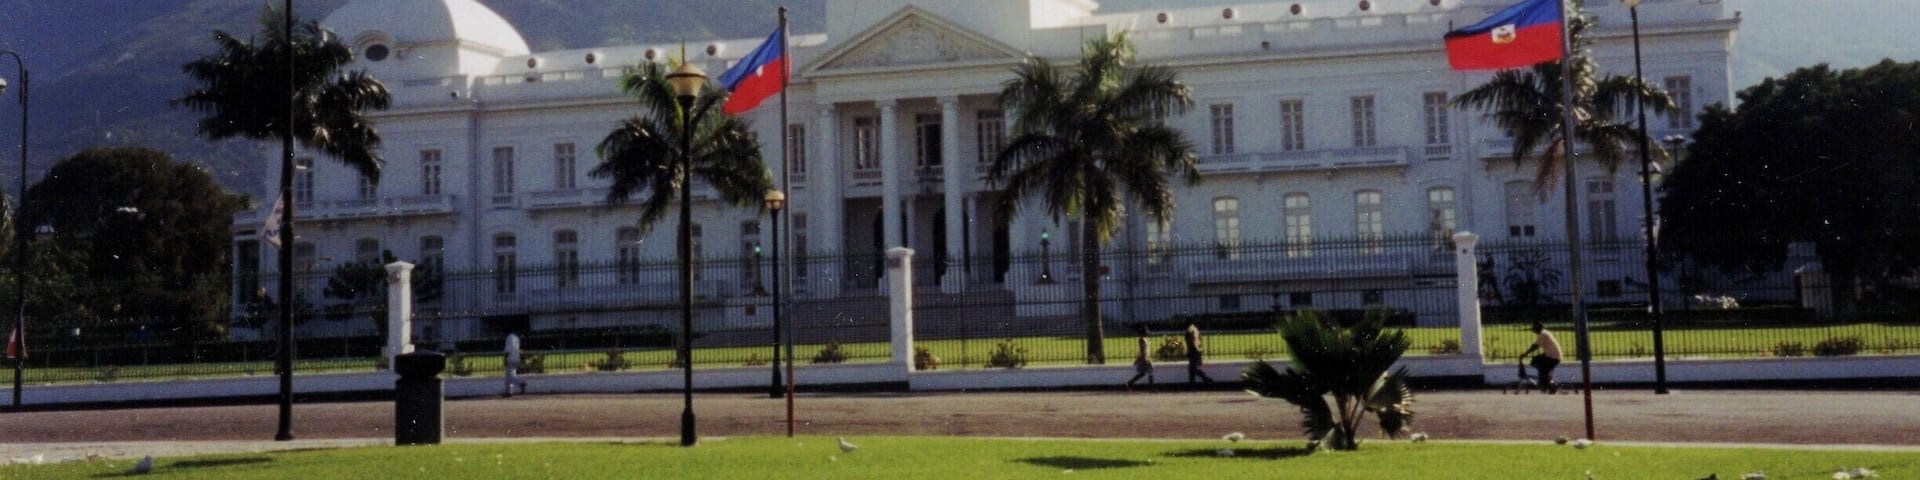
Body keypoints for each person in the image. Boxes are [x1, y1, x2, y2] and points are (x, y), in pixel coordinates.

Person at [1519, 321, 1562, 393]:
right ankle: (1546, 381)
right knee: (1537, 363)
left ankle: (1544, 382)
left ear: (1537, 328)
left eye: (1534, 328)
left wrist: (1525, 354)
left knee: (1536, 362)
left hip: (1553, 356)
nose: (1533, 330)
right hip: (1552, 355)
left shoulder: (1543, 334)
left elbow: (1536, 346)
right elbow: (1536, 344)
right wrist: (1526, 354)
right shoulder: (1544, 333)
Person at [1184, 321, 1215, 385]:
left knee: (1192, 369)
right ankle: (1192, 383)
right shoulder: (1195, 329)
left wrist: (1192, 349)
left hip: (1193, 351)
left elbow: (1193, 341)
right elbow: (1199, 340)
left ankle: (1206, 379)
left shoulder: (1190, 330)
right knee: (1191, 369)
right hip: (1195, 350)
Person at [1125, 325, 1154, 392]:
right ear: (1144, 332)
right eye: (1147, 331)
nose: (1148, 332)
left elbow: (1146, 349)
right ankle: (1151, 388)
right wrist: (1143, 358)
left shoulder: (1145, 339)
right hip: (1144, 358)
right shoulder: (1141, 339)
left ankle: (1129, 383)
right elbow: (1142, 349)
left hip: (1146, 358)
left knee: (1144, 373)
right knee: (1149, 372)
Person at [503, 333, 527, 397]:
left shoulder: (509, 337)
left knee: (509, 376)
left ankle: (520, 383)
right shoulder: (516, 338)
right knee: (511, 375)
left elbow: (508, 350)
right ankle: (508, 391)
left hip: (510, 358)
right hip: (517, 358)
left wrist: (505, 359)